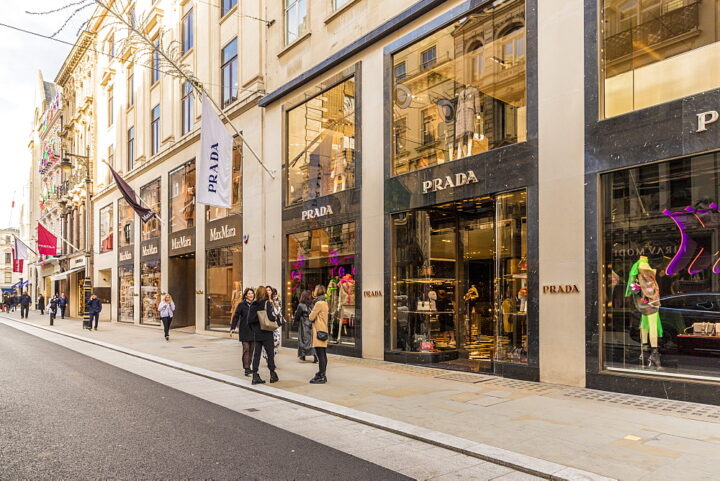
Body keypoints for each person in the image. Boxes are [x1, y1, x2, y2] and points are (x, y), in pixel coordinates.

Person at [247, 286, 279, 385]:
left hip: (257, 332)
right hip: (267, 332)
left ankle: (255, 375)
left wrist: (255, 328)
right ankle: (272, 374)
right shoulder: (267, 303)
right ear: (265, 293)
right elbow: (271, 318)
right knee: (270, 354)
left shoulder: (253, 304)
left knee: (256, 354)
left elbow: (249, 320)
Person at [230, 287, 255, 376]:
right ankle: (246, 368)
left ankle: (249, 366)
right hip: (244, 331)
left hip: (253, 331)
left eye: (252, 293)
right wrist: (232, 328)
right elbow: (236, 317)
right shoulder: (241, 305)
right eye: (249, 293)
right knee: (246, 349)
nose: (251, 295)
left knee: (251, 350)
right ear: (245, 295)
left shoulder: (255, 305)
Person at [308, 285, 330, 384]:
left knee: (320, 355)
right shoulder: (325, 302)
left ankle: (322, 375)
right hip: (324, 330)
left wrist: (311, 312)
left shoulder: (318, 303)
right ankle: (322, 374)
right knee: (323, 354)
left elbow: (311, 317)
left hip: (318, 331)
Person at [294, 290, 317, 362]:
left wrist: (294, 322)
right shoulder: (312, 304)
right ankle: (315, 356)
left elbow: (297, 315)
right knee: (311, 341)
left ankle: (303, 355)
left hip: (303, 324)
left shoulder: (301, 305)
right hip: (311, 323)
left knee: (302, 340)